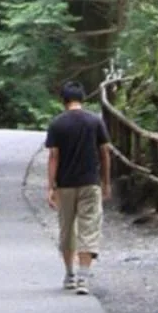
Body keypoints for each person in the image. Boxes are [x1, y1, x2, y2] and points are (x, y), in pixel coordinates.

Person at [44, 80, 112, 296]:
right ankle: (84, 277)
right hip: (90, 182)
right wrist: (106, 181)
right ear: (82, 99)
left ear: (63, 101)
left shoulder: (57, 124)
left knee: (67, 229)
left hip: (65, 185)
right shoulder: (95, 121)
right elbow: (105, 153)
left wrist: (51, 186)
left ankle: (69, 274)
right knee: (88, 228)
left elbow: (54, 156)